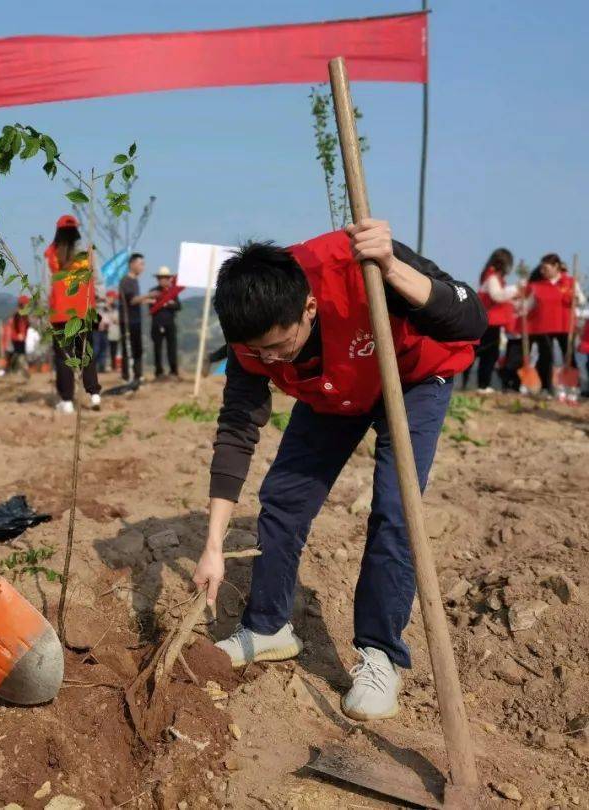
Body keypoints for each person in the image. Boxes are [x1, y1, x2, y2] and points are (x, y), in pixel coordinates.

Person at [191, 219, 484, 721]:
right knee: (283, 497)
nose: (268, 359)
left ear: (309, 307)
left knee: (396, 509)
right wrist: (214, 545)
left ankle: (380, 654)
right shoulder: (251, 339)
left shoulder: (357, 263)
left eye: (279, 346)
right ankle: (267, 628)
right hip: (334, 389)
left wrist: (391, 268)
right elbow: (238, 428)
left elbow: (470, 318)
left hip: (410, 377)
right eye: (257, 351)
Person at [46, 214, 101, 413]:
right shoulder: (87, 254)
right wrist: (100, 304)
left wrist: (45, 311)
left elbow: (47, 288)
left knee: (64, 357)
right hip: (83, 313)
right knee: (86, 353)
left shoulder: (51, 256)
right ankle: (94, 395)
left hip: (60, 314)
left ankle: (67, 401)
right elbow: (99, 282)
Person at [526, 253, 584, 397]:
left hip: (565, 325)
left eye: (545, 268)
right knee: (545, 356)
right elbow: (528, 305)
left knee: (568, 355)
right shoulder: (537, 285)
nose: (542, 271)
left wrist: (576, 297)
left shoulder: (570, 282)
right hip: (543, 326)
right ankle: (546, 387)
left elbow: (582, 300)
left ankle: (572, 387)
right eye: (541, 269)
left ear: (556, 267)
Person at [473, 248, 518, 393]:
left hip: (491, 322)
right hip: (489, 322)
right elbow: (497, 296)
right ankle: (483, 385)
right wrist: (516, 289)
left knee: (489, 354)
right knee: (488, 354)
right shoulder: (492, 277)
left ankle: (483, 384)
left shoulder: (493, 277)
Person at [119, 253, 155, 381]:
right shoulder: (126, 281)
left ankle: (138, 375)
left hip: (136, 320)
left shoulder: (134, 281)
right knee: (129, 348)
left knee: (138, 348)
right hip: (128, 321)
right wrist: (148, 296)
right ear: (132, 264)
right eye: (141, 264)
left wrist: (149, 301)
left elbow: (137, 301)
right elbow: (132, 300)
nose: (143, 267)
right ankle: (127, 376)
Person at [149, 266, 183, 379]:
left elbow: (178, 306)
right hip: (156, 324)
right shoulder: (153, 292)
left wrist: (168, 303)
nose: (163, 280)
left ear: (169, 279)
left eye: (165, 278)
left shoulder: (173, 293)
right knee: (157, 349)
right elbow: (151, 307)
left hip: (170, 324)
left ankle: (174, 371)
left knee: (172, 348)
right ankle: (159, 372)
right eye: (161, 278)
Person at [8, 294, 32, 376]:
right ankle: (21, 369)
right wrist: (19, 334)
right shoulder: (18, 314)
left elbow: (27, 325)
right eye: (26, 304)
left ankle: (19, 370)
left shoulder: (24, 314)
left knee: (20, 353)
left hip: (22, 337)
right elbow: (16, 324)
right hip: (17, 337)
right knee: (19, 353)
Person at [104, 290, 121, 371]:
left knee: (113, 349)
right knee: (103, 348)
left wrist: (110, 310)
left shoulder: (116, 308)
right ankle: (103, 365)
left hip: (114, 331)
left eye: (113, 298)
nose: (112, 299)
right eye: (110, 298)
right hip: (104, 331)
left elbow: (116, 320)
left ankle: (113, 365)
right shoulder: (103, 308)